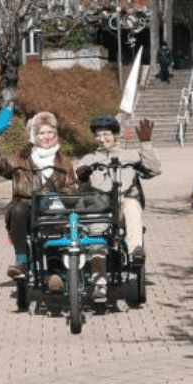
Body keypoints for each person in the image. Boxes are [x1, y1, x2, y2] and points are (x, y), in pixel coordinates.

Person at [75, 114, 161, 302]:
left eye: (106, 134)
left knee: (132, 204)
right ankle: (99, 285)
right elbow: (78, 175)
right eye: (98, 135)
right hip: (100, 208)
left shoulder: (129, 156)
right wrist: (83, 172)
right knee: (96, 240)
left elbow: (154, 170)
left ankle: (135, 250)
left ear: (115, 135)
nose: (102, 139)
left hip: (123, 205)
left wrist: (146, 143)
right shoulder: (90, 158)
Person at [0, 110, 77, 280]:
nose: (46, 136)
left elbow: (72, 189)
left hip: (54, 211)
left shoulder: (64, 162)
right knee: (17, 209)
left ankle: (54, 272)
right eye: (41, 133)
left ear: (56, 135)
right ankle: (21, 260)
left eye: (50, 132)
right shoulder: (21, 157)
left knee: (55, 225)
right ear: (34, 136)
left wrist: (58, 199)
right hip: (27, 209)